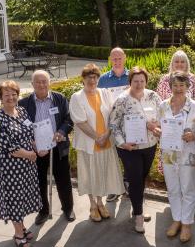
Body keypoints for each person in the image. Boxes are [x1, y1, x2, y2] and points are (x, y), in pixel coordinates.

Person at [69, 64, 125, 221]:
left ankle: (101, 203)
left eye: (95, 77)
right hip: (89, 145)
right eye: (88, 77)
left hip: (106, 142)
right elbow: (80, 121)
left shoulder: (105, 93)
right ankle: (92, 205)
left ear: (98, 78)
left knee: (102, 174)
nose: (92, 80)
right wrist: (97, 137)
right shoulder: (76, 97)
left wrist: (106, 135)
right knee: (89, 175)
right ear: (83, 79)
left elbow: (113, 115)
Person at [19, 70, 75, 225]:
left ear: (49, 83)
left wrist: (61, 131)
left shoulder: (59, 99)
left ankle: (68, 208)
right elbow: (21, 127)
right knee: (39, 182)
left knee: (63, 179)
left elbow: (69, 119)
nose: (42, 84)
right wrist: (31, 142)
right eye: (38, 82)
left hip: (58, 146)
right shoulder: (23, 104)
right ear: (32, 84)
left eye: (44, 81)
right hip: (36, 149)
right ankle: (43, 211)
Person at [0, 80, 42, 247]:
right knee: (14, 198)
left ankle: (21, 227)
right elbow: (10, 148)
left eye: (14, 94)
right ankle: (18, 234)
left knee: (23, 196)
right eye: (7, 95)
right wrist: (30, 155)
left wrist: (37, 146)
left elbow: (30, 133)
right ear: (1, 98)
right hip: (10, 167)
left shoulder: (21, 110)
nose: (11, 98)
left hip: (26, 165)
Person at [110, 67, 161, 233]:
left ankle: (136, 204)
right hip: (129, 148)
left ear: (146, 81)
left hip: (149, 145)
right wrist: (122, 143)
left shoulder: (153, 96)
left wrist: (156, 126)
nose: (139, 84)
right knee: (135, 179)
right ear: (129, 81)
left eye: (142, 81)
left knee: (142, 177)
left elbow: (162, 118)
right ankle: (138, 215)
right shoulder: (122, 100)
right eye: (135, 81)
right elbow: (114, 124)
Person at [157, 72, 195, 242]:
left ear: (187, 87)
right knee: (173, 188)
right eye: (175, 85)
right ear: (170, 86)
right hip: (168, 154)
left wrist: (194, 136)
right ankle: (176, 219)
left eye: (181, 85)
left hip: (187, 154)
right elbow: (157, 125)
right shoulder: (163, 106)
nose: (178, 89)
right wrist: (157, 130)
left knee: (188, 189)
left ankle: (186, 224)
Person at [98, 47, 129, 203]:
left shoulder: (132, 76)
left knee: (129, 156)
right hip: (110, 124)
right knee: (113, 157)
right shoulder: (103, 79)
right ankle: (114, 189)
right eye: (114, 58)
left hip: (130, 124)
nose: (117, 61)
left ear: (125, 58)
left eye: (119, 58)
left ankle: (128, 185)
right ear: (110, 59)